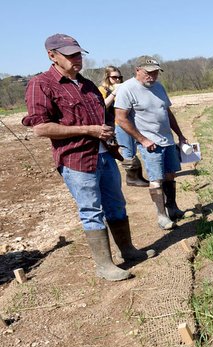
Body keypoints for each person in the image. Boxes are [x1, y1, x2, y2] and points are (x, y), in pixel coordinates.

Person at [22, 34, 147, 281]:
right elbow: (41, 128)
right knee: (92, 210)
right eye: (70, 55)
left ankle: (128, 250)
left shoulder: (88, 85)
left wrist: (111, 141)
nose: (76, 59)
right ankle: (105, 265)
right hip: (77, 161)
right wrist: (87, 130)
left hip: (104, 156)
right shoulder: (42, 84)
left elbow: (104, 118)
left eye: (78, 54)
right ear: (52, 55)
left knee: (117, 205)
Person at [114, 56, 189, 230]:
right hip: (150, 143)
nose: (152, 76)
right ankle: (162, 216)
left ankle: (173, 208)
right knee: (156, 180)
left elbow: (167, 113)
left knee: (171, 175)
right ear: (137, 70)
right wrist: (142, 139)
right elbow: (121, 119)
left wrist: (180, 135)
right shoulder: (127, 89)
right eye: (149, 73)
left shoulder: (159, 87)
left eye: (155, 72)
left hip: (167, 140)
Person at [98, 66, 148, 187]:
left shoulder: (123, 88)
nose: (118, 80)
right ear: (107, 78)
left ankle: (137, 176)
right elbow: (101, 106)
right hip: (117, 124)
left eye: (119, 77)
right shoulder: (103, 90)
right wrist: (114, 93)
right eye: (114, 77)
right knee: (128, 151)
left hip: (129, 123)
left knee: (132, 149)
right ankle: (132, 178)